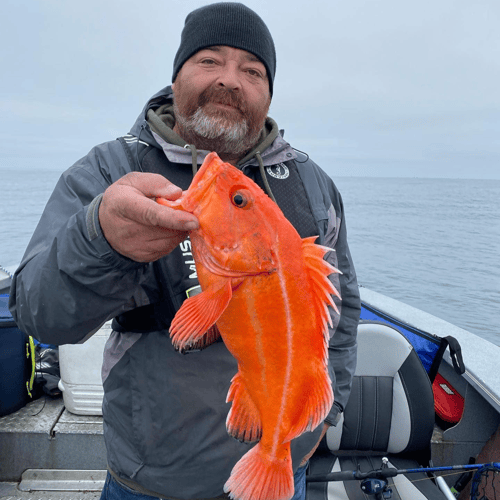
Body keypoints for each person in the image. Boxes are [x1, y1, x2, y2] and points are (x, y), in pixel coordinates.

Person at [9, 3, 360, 500]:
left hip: (287, 463)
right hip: (152, 481)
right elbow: (37, 314)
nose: (230, 80)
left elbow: (341, 317)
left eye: (252, 70)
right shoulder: (110, 169)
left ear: (268, 91)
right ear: (176, 78)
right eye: (209, 60)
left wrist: (328, 412)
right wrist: (101, 239)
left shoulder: (312, 183)